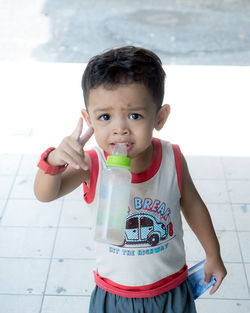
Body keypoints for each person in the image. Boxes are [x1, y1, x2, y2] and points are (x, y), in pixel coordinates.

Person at [34, 46, 227, 313]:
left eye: (134, 115)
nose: (120, 128)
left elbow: (193, 206)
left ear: (159, 117)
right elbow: (45, 194)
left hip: (169, 290)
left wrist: (213, 253)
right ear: (88, 119)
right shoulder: (91, 164)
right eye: (105, 117)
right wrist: (53, 161)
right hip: (114, 294)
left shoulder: (172, 158)